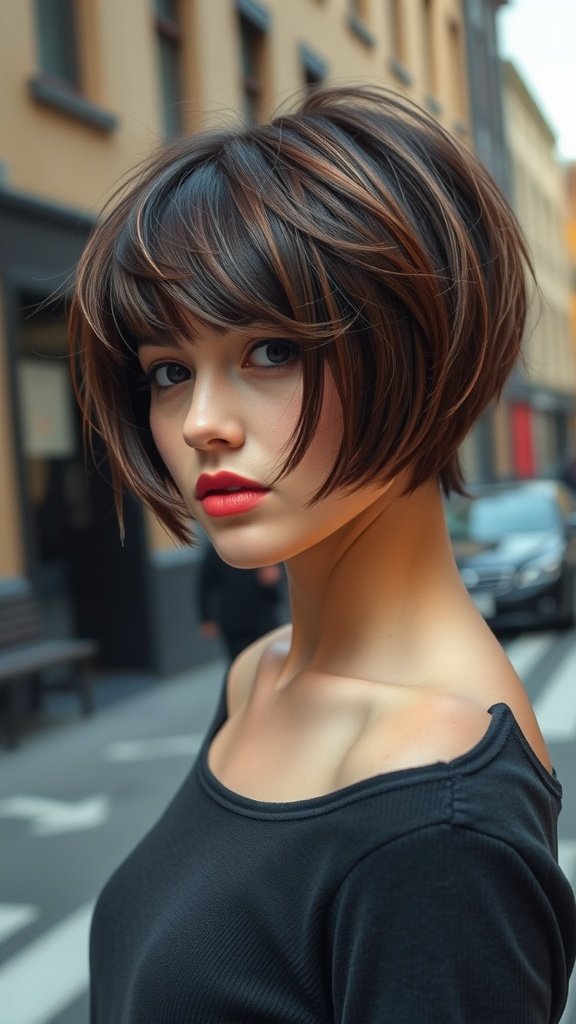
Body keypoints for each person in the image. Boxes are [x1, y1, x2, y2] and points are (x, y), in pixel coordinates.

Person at [69, 85, 576, 1023]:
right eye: (170, 371)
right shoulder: (260, 677)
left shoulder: (434, 813)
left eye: (271, 352)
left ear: (419, 342)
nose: (202, 425)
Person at [198, 542, 283, 659]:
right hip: (235, 623)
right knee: (240, 664)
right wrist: (206, 618)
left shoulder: (263, 546)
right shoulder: (218, 550)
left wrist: (273, 578)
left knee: (270, 662)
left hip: (263, 619)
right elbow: (204, 586)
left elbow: (278, 583)